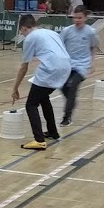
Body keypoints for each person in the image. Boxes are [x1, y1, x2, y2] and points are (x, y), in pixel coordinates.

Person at [11, 15, 71, 150]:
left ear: (23, 28)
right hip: (66, 66)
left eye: (21, 32)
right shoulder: (51, 32)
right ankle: (53, 132)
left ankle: (39, 140)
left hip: (51, 68)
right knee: (43, 97)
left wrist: (15, 88)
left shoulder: (30, 38)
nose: (22, 34)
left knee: (31, 104)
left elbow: (24, 67)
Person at [60, 7, 100, 126]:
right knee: (62, 85)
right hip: (68, 64)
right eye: (75, 18)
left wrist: (92, 63)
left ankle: (67, 117)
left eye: (80, 18)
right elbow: (60, 46)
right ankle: (71, 101)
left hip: (83, 65)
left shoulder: (91, 32)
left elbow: (93, 47)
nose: (77, 20)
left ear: (85, 18)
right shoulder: (67, 31)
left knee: (72, 85)